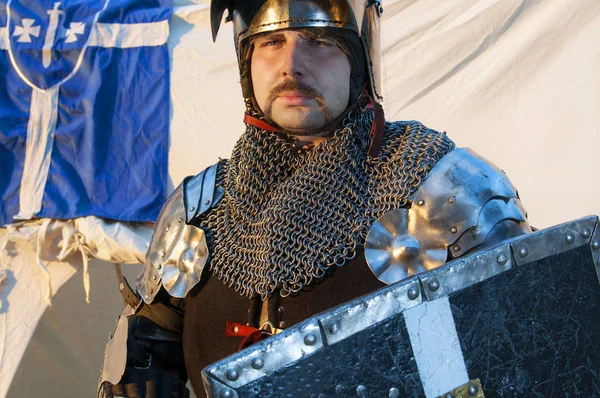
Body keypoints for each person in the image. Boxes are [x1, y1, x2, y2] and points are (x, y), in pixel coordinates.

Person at [98, 1, 530, 397]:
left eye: (320, 41)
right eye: (271, 42)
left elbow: (524, 356)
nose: (290, 65)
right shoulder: (199, 208)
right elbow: (139, 361)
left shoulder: (444, 190)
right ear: (246, 59)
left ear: (360, 59)